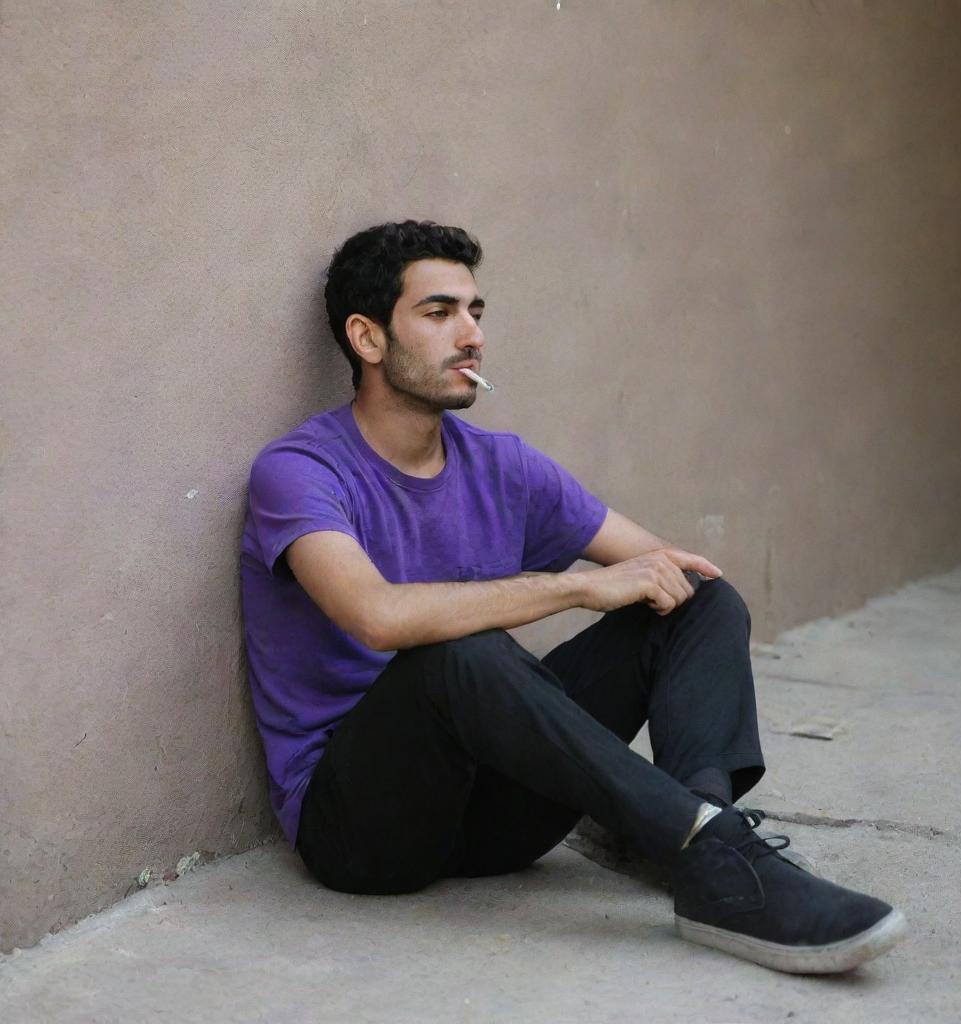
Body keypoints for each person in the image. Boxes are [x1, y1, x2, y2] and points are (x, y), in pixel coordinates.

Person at [239, 220, 906, 974]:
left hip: (499, 817)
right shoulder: (298, 472)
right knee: (459, 654)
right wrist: (579, 586)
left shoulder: (502, 466)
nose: (471, 335)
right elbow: (377, 616)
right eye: (439, 313)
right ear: (366, 339)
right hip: (364, 831)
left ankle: (707, 844)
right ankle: (701, 845)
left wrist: (646, 581)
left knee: (699, 600)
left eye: (476, 312)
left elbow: (665, 571)